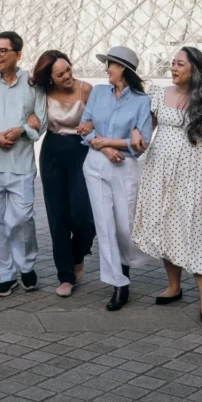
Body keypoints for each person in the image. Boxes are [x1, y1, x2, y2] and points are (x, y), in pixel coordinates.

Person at [133, 46, 202, 324]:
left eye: (179, 64)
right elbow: (145, 127)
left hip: (194, 178)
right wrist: (135, 133)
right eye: (172, 64)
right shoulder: (159, 95)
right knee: (167, 228)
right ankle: (174, 286)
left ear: (195, 70)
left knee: (201, 232)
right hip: (160, 176)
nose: (173, 68)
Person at [0, 32, 47, 297]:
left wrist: (21, 130)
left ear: (18, 54)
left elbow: (42, 122)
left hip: (21, 163)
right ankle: (5, 274)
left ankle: (26, 265)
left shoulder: (32, 84)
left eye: (3, 50)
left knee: (22, 217)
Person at [80, 46, 152, 312]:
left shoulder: (142, 102)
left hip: (125, 168)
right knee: (105, 224)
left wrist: (107, 141)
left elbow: (141, 145)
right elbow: (84, 128)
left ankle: (129, 264)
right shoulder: (98, 93)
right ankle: (119, 283)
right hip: (96, 164)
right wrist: (105, 146)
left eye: (109, 64)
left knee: (125, 225)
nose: (106, 68)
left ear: (123, 68)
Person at [29, 50, 94, 297]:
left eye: (68, 69)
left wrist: (93, 124)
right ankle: (65, 276)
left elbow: (103, 117)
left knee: (84, 216)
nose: (67, 75)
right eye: (60, 74)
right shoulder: (42, 93)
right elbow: (30, 112)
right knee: (58, 218)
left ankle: (78, 255)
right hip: (53, 152)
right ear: (50, 78)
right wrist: (31, 116)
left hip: (81, 152)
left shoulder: (86, 89)